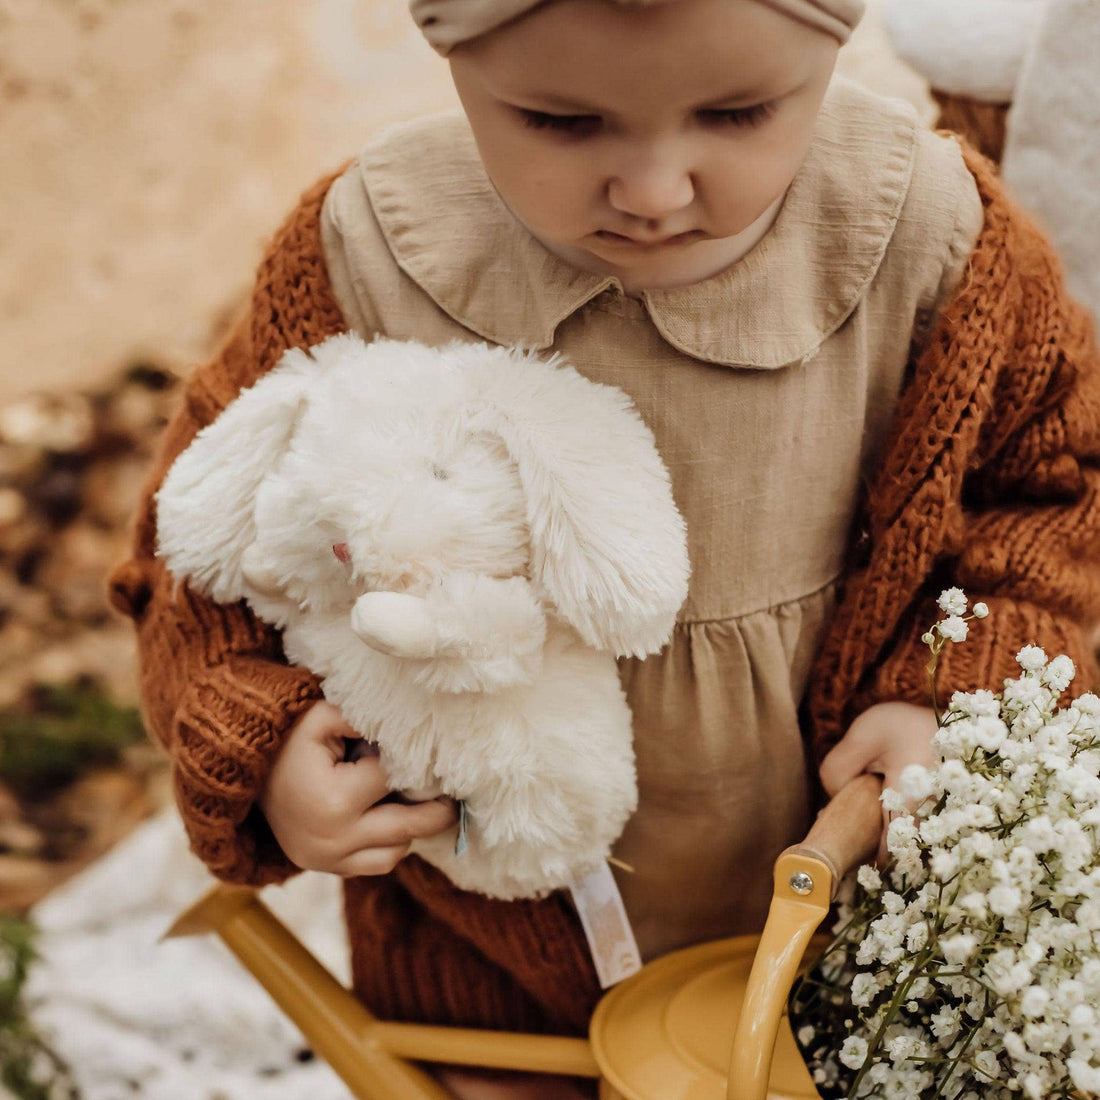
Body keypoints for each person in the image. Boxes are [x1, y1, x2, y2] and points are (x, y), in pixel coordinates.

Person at [107, 1, 1100, 1096]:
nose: (653, 189)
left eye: (735, 110)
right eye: (560, 121)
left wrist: (951, 691)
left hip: (851, 936)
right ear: (453, 53)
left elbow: (1050, 491)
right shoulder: (368, 251)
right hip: (488, 959)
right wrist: (266, 744)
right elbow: (191, 554)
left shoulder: (925, 233)